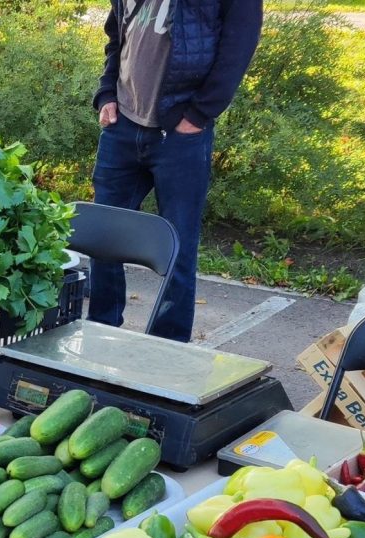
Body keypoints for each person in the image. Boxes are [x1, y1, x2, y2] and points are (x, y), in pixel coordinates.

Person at [89, 0, 262, 342]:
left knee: (178, 247)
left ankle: (168, 347)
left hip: (180, 134)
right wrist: (107, 93)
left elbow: (238, 47)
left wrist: (198, 115)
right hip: (123, 125)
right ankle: (100, 332)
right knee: (103, 236)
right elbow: (117, 34)